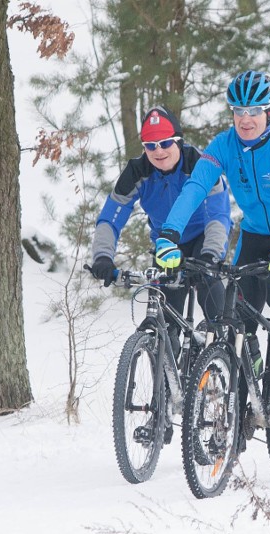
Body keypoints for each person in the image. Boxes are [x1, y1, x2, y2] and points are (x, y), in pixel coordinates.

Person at [154, 71, 270, 401]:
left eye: (254, 111)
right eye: (239, 111)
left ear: (268, 112)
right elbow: (195, 188)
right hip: (255, 233)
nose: (246, 120)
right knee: (240, 310)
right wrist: (169, 234)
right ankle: (243, 408)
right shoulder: (223, 146)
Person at [90, 105, 231, 356]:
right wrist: (102, 257)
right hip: (167, 247)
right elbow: (110, 217)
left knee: (212, 301)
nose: (159, 151)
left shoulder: (199, 164)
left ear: (179, 141)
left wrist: (211, 255)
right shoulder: (137, 171)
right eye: (150, 145)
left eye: (166, 143)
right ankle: (165, 390)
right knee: (164, 326)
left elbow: (218, 216)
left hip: (203, 240)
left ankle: (222, 357)